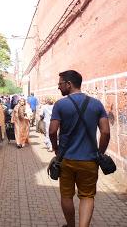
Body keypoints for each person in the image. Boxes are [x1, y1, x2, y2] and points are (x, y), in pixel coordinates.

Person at [49, 70, 110, 227]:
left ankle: (70, 225)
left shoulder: (60, 105)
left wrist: (56, 149)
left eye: (60, 84)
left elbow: (52, 131)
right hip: (89, 160)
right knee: (87, 196)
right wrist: (100, 153)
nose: (58, 87)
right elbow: (105, 132)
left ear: (69, 84)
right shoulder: (97, 104)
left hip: (66, 160)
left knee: (67, 195)